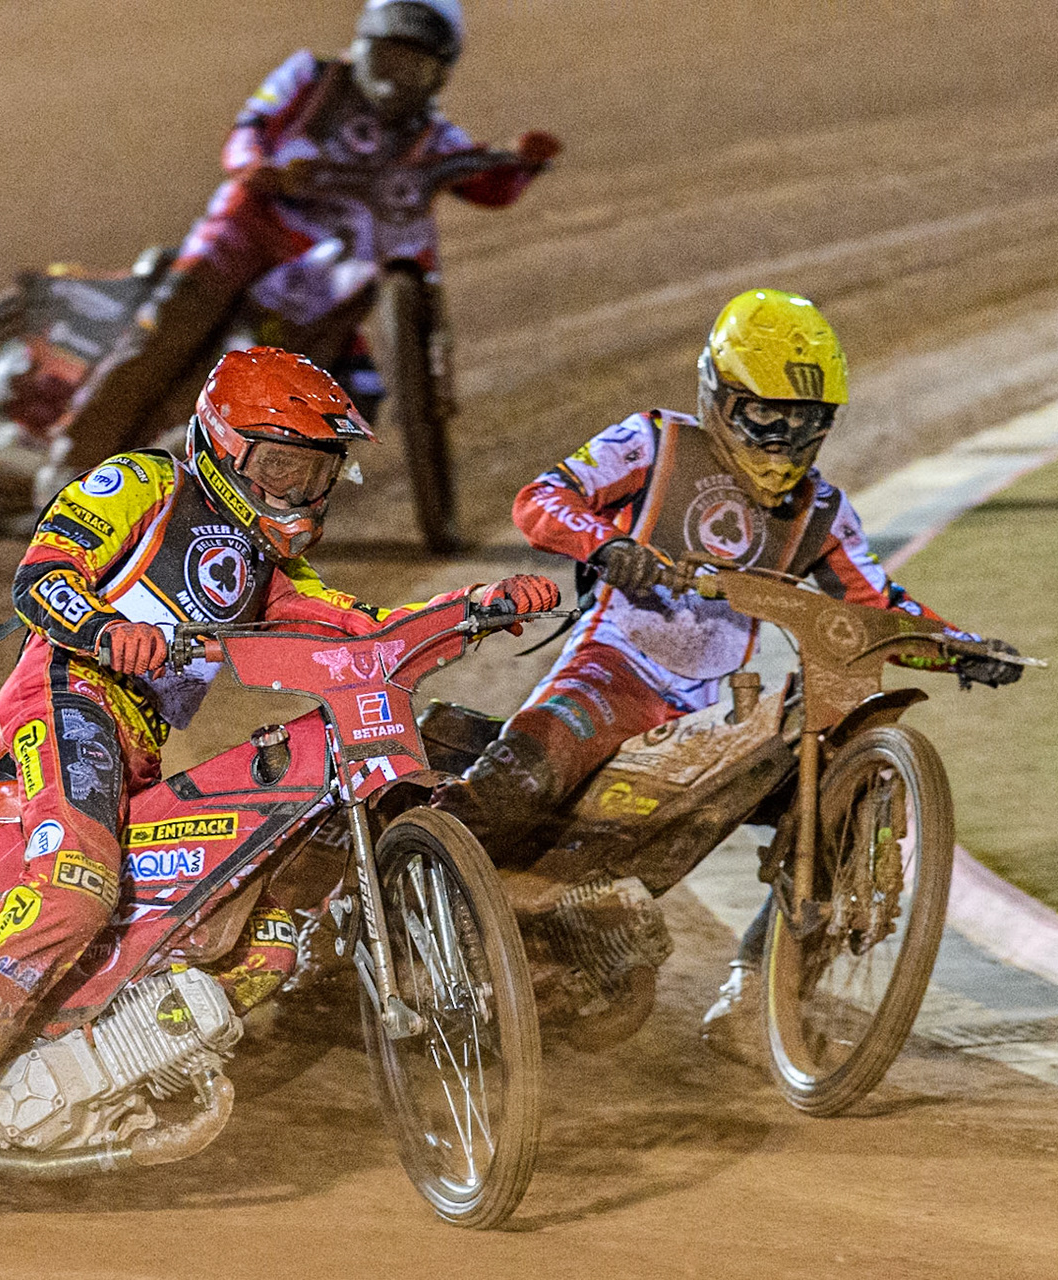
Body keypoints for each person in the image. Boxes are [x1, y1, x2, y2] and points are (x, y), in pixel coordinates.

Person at [0, 347, 558, 1231]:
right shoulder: (142, 483)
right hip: (65, 694)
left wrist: (479, 606)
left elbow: (362, 631)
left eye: (316, 473)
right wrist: (105, 629)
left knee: (262, 940)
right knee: (75, 884)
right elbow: (41, 577)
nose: (299, 490)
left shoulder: (267, 567)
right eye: (282, 466)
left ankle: (80, 1070)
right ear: (223, 444)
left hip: (136, 741)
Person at [430, 288, 1021, 1056]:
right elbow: (541, 499)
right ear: (719, 394)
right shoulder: (652, 442)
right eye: (765, 418)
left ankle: (758, 997)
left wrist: (960, 646)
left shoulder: (822, 511)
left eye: (803, 424)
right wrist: (607, 545)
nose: (782, 442)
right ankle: (414, 885)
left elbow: (876, 607)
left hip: (714, 714)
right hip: (615, 669)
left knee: (847, 791)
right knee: (527, 770)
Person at [53, 0, 560, 469]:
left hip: (329, 269)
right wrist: (258, 166)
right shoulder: (312, 76)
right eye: (387, 60)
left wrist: (523, 164)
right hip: (248, 226)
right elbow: (249, 127)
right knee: (167, 329)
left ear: (439, 75)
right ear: (363, 47)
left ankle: (198, 473)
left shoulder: (433, 136)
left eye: (414, 68)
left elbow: (485, 185)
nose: (394, 81)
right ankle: (69, 459)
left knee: (296, 384)